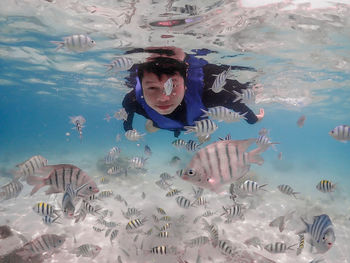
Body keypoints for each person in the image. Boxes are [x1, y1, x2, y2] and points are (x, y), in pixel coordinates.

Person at [122, 46, 264, 137]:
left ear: (185, 85)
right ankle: (156, 122)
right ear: (142, 87)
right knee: (152, 126)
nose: (164, 98)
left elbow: (234, 102)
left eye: (172, 86)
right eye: (152, 88)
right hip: (162, 123)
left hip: (197, 123)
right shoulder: (132, 101)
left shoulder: (205, 94)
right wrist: (128, 130)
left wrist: (252, 119)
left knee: (204, 134)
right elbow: (127, 118)